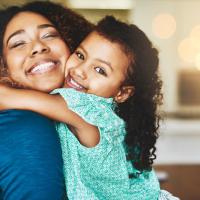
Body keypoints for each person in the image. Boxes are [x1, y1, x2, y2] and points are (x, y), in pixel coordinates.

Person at [0, 15, 179, 200]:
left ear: (122, 93)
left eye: (100, 70)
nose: (80, 71)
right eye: (80, 55)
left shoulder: (92, 113)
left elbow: (6, 97)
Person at [0, 1, 93, 199]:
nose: (38, 47)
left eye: (49, 35)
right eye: (18, 43)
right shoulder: (26, 127)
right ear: (3, 66)